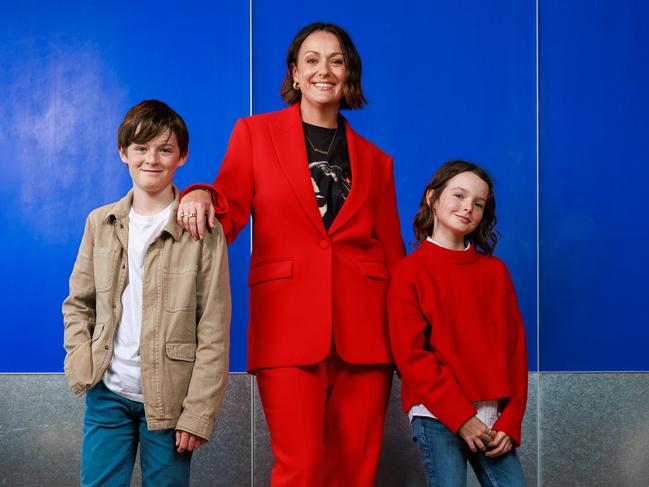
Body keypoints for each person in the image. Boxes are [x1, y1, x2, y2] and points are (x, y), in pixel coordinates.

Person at [177, 22, 405, 487]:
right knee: (298, 468)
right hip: (286, 326)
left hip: (367, 333)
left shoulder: (377, 161)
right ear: (295, 74)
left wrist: (413, 338)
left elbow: (394, 254)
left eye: (336, 60)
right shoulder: (255, 134)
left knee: (354, 473)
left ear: (349, 74)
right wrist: (200, 192)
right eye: (313, 60)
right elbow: (231, 205)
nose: (325, 69)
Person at [62, 100, 231, 487]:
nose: (151, 159)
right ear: (123, 153)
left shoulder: (204, 231)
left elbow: (214, 329)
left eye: (164, 149)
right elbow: (78, 304)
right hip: (108, 392)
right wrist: (81, 360)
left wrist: (198, 413)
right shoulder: (100, 222)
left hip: (171, 403)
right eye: (140, 148)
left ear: (182, 156)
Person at [388, 160, 528, 487]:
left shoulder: (495, 273)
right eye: (459, 196)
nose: (467, 208)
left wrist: (512, 419)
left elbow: (515, 351)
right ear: (432, 198)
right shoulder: (409, 273)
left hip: (493, 418)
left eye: (478, 204)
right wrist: (461, 416)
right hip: (436, 414)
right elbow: (411, 357)